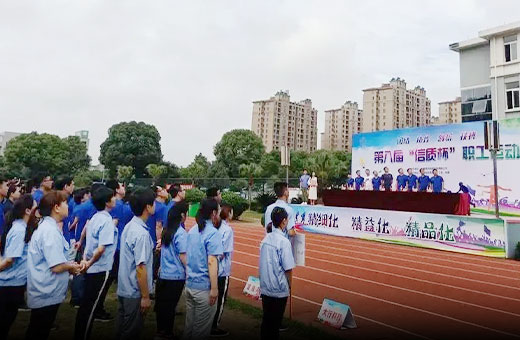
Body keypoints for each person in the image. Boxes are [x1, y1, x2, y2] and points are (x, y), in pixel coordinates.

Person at [26, 191, 82, 340]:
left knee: (38, 329)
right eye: (65, 203)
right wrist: (71, 266)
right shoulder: (49, 231)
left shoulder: (48, 227)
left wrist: (69, 265)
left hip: (44, 289)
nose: (67, 206)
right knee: (38, 331)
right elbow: (56, 266)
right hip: (46, 290)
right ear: (56, 207)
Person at [74, 186, 117, 340]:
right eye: (113, 197)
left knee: (86, 304)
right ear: (106, 202)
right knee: (91, 307)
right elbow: (100, 249)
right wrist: (89, 263)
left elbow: (88, 238)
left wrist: (86, 262)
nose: (115, 199)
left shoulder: (95, 218)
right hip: (99, 268)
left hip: (91, 266)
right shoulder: (106, 221)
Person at [116, 188, 156, 340]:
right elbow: (141, 268)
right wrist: (145, 296)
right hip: (133, 291)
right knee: (131, 332)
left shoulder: (130, 226)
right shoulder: (141, 234)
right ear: (147, 206)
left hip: (124, 287)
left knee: (122, 329)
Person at [184, 198, 223, 340]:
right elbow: (212, 262)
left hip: (190, 286)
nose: (219, 214)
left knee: (189, 328)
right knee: (200, 332)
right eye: (218, 211)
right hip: (203, 288)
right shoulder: (213, 233)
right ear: (213, 213)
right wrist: (214, 288)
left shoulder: (193, 230)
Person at [0, 195, 36, 340]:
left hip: (13, 283)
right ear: (27, 211)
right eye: (35, 206)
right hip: (9, 284)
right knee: (4, 322)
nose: (37, 209)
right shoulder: (19, 230)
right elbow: (9, 259)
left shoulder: (21, 227)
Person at [259, 207, 295, 340]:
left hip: (266, 287)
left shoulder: (265, 240)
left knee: (267, 321)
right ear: (284, 221)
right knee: (274, 325)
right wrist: (290, 286)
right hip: (279, 289)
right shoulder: (284, 242)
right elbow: (288, 268)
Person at [154, 201, 189, 339]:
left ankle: (161, 330)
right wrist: (190, 272)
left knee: (162, 305)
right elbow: (183, 256)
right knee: (169, 307)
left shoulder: (166, 231)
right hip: (175, 276)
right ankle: (166, 333)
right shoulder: (180, 233)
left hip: (163, 275)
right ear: (182, 216)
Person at [211, 204, 234, 337]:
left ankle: (210, 323)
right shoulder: (227, 230)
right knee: (220, 299)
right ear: (229, 213)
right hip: (222, 270)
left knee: (213, 297)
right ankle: (214, 326)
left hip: (212, 268)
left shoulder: (215, 227)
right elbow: (223, 251)